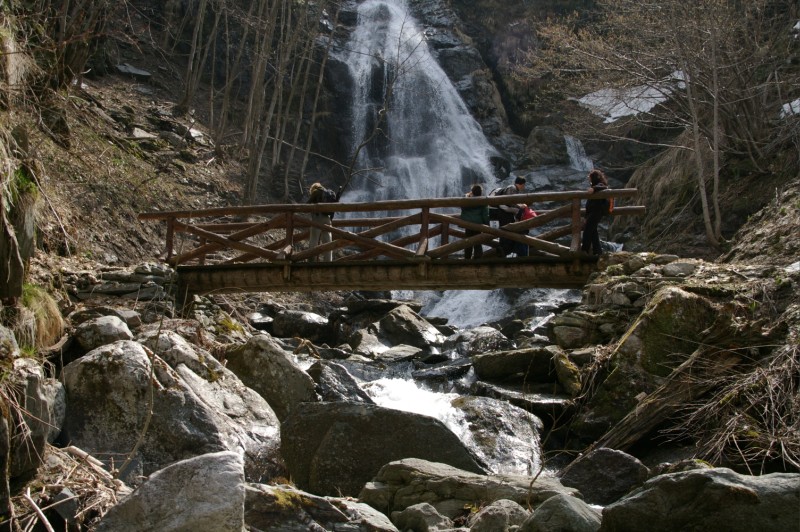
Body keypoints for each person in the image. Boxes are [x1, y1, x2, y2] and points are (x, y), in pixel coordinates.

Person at [495, 176, 527, 257]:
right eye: (523, 185)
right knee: (506, 230)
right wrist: (520, 206)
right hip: (504, 213)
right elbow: (509, 202)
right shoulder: (512, 188)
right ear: (521, 184)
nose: (524, 187)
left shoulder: (513, 189)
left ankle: (504, 251)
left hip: (505, 212)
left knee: (506, 230)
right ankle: (503, 250)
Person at [307, 182, 338, 261]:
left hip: (318, 218)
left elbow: (307, 204)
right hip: (327, 219)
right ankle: (328, 261)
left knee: (314, 240)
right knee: (328, 241)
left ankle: (311, 261)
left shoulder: (316, 192)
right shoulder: (329, 193)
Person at [581, 168, 609, 256]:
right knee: (593, 232)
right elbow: (589, 205)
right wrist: (586, 217)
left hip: (596, 213)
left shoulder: (599, 185)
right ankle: (598, 251)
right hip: (592, 213)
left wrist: (593, 189)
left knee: (587, 231)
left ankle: (584, 250)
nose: (589, 179)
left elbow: (604, 186)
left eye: (590, 178)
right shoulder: (595, 186)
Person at [460, 184, 490, 259]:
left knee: (468, 241)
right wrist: (487, 225)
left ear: (472, 192)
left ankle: (467, 258)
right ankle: (478, 258)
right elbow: (485, 214)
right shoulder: (483, 201)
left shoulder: (467, 200)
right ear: (481, 192)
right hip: (478, 224)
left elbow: (462, 204)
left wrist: (467, 195)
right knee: (477, 241)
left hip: (467, 223)